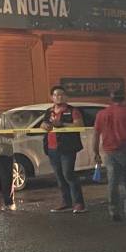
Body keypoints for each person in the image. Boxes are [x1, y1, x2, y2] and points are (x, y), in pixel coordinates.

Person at [93, 90, 126, 222]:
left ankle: (114, 211)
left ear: (111, 99)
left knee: (113, 182)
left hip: (109, 152)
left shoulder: (102, 114)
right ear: (124, 98)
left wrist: (96, 153)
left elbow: (96, 134)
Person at [42, 85, 86, 213]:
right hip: (52, 148)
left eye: (61, 94)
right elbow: (44, 124)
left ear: (66, 96)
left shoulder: (72, 110)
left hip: (67, 148)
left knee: (68, 174)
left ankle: (79, 203)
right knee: (60, 177)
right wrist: (44, 125)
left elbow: (79, 125)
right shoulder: (49, 111)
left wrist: (62, 124)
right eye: (56, 95)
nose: (58, 97)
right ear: (52, 97)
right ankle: (66, 202)